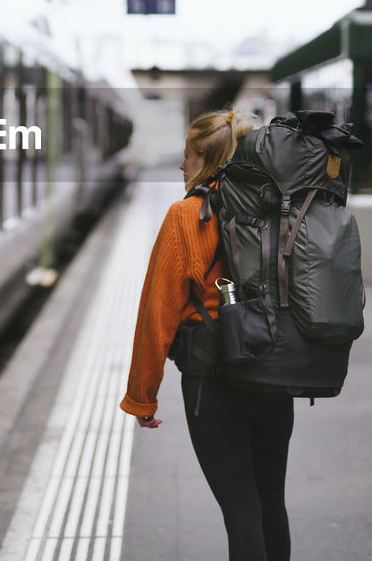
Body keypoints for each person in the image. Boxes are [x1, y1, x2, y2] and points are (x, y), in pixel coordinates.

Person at [120, 108, 296, 561]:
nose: (181, 166)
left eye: (190, 156)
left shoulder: (187, 216)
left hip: (214, 380)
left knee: (241, 510)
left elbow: (156, 311)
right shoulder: (283, 210)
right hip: (275, 373)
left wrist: (143, 396)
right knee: (270, 503)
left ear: (213, 160)